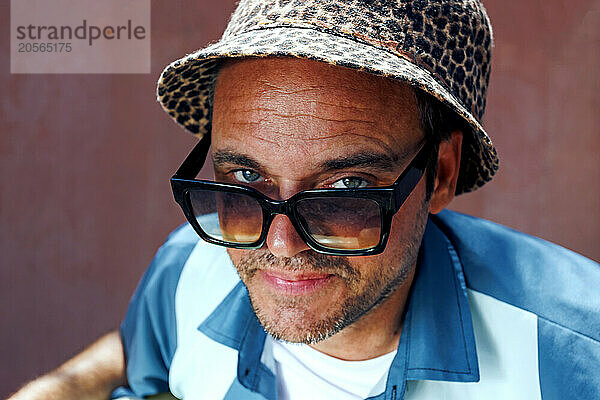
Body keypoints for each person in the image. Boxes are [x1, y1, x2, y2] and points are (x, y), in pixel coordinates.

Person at [9, 0, 599, 399]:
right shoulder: (193, 263)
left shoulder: (574, 357)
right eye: (244, 179)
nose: (279, 244)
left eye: (346, 191)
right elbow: (138, 350)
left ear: (440, 173)